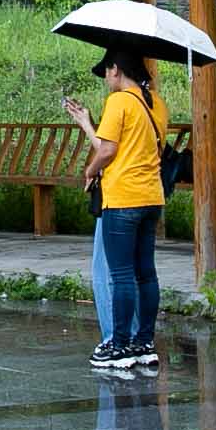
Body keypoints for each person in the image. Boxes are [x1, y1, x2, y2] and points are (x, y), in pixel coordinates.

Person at [64, 49, 168, 374]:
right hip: (151, 197)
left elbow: (108, 151)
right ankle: (144, 344)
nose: (106, 79)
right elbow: (136, 148)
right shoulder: (156, 104)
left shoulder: (119, 102)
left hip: (122, 199)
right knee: (145, 273)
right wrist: (86, 123)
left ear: (116, 69)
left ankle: (119, 345)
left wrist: (90, 171)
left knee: (120, 274)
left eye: (106, 72)